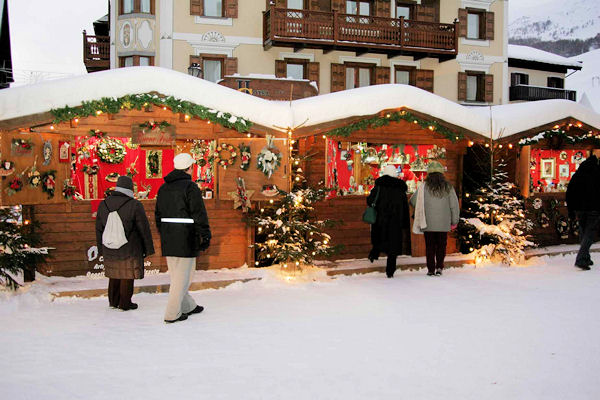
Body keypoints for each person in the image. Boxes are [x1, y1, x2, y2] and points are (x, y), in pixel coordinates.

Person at [155, 153, 211, 323]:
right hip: (186, 237)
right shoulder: (191, 187)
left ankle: (188, 306)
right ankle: (172, 314)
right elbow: (199, 214)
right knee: (183, 277)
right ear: (190, 167)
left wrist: (164, 232)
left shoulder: (163, 188)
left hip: (168, 236)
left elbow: (157, 215)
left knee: (177, 275)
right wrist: (205, 235)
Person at [96, 175, 154, 310]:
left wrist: (101, 248)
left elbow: (99, 228)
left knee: (114, 273)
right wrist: (148, 248)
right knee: (127, 274)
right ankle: (125, 303)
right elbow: (143, 228)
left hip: (109, 246)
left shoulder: (103, 204)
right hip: (129, 247)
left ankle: (113, 301)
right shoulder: (135, 205)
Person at [410, 161, 459, 277]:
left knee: (430, 246)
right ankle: (439, 267)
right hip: (443, 223)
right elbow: (454, 205)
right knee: (441, 246)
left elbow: (412, 200)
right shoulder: (448, 187)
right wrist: (454, 221)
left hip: (428, 222)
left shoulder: (423, 186)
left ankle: (431, 269)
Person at [367, 164, 410, 278]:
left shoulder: (379, 187)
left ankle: (374, 254)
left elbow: (370, 200)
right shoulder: (400, 189)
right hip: (395, 222)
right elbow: (405, 207)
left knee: (379, 239)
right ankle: (390, 271)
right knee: (393, 247)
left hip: (380, 220)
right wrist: (405, 223)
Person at [566, 154, 600, 270]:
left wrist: (571, 210)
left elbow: (569, 193)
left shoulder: (578, 175)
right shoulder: (597, 174)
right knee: (589, 234)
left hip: (580, 209)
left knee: (583, 232)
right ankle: (581, 259)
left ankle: (586, 257)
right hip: (594, 208)